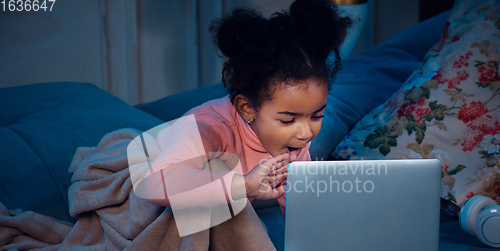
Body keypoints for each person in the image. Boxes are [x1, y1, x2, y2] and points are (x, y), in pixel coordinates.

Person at [143, 0, 353, 234]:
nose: (306, 133)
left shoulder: (295, 141)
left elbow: (299, 211)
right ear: (246, 109)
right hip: (144, 181)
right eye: (288, 120)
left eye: (317, 116)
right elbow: (154, 185)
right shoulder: (207, 126)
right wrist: (244, 185)